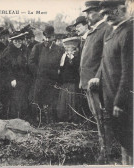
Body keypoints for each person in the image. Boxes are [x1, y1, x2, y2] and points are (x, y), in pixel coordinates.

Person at [89, 0, 133, 164]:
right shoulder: (113, 32)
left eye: (111, 12)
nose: (107, 17)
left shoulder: (129, 32)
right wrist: (98, 78)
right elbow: (106, 61)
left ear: (122, 10)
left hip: (122, 101)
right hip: (110, 97)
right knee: (125, 142)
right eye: (104, 14)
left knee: (129, 142)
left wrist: (120, 101)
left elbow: (129, 72)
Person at [80, 0, 113, 163]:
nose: (87, 15)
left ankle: (106, 154)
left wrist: (97, 77)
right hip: (88, 82)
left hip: (97, 83)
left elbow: (105, 58)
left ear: (100, 11)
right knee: (97, 118)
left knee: (103, 118)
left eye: (90, 11)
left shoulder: (105, 29)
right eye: (86, 12)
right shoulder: (94, 31)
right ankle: (104, 151)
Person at [29, 25, 64, 124]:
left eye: (50, 37)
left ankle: (51, 121)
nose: (48, 39)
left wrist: (57, 75)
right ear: (44, 36)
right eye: (46, 37)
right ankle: (38, 121)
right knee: (37, 100)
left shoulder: (59, 49)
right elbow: (31, 62)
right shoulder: (38, 47)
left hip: (53, 80)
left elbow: (62, 64)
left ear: (53, 37)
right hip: (40, 79)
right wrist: (38, 72)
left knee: (51, 101)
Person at [2, 31, 30, 120]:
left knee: (23, 100)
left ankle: (23, 119)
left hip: (24, 79)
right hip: (12, 80)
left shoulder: (25, 49)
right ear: (12, 41)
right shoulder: (8, 51)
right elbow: (6, 67)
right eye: (16, 41)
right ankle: (13, 120)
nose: (18, 43)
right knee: (14, 101)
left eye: (20, 41)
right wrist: (12, 79)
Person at [57, 37, 81, 122]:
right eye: (66, 47)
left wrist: (71, 59)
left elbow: (76, 67)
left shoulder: (77, 56)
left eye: (68, 47)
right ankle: (64, 118)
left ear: (73, 47)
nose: (67, 49)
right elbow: (61, 67)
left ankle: (73, 118)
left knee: (72, 100)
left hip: (73, 82)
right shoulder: (63, 56)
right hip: (65, 81)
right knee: (64, 100)